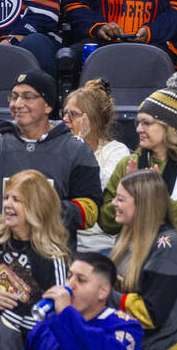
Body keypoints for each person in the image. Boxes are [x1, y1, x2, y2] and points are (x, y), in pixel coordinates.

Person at [99, 76, 177, 350]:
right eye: (138, 121)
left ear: (169, 127)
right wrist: (126, 196)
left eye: (147, 122)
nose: (138, 128)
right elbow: (106, 221)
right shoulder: (128, 164)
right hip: (136, 289)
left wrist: (156, 196)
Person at [0, 72, 102, 240]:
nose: (18, 104)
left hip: (53, 254)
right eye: (14, 97)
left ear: (48, 106)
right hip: (0, 257)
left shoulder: (76, 150)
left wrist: (46, 208)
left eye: (28, 97)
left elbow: (91, 210)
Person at [107, 169, 177, 350]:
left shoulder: (167, 246)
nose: (114, 203)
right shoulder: (128, 236)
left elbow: (151, 314)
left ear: (142, 204)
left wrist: (102, 294)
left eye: (121, 199)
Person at [0, 170, 70, 349]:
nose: (7, 204)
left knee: (1, 330)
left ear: (36, 207)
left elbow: (53, 319)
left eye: (16, 200)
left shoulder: (51, 256)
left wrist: (5, 319)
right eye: (6, 197)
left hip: (19, 340)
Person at [62, 82, 130, 254]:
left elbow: (95, 185)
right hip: (61, 240)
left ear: (93, 120)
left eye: (73, 114)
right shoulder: (59, 148)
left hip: (98, 245)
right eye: (64, 113)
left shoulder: (116, 151)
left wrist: (80, 146)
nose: (65, 119)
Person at [25, 253, 144, 350]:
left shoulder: (125, 327)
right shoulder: (49, 322)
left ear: (103, 291)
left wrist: (67, 314)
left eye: (81, 280)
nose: (70, 285)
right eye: (69, 276)